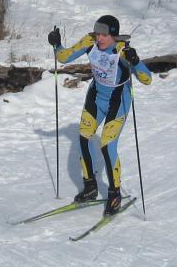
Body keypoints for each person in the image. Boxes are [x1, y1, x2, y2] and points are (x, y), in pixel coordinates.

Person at [47, 15, 152, 215]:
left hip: (117, 101)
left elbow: (147, 79)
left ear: (113, 35)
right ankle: (90, 187)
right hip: (96, 97)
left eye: (104, 34)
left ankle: (114, 194)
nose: (99, 38)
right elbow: (63, 57)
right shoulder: (90, 42)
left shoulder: (123, 51)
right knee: (84, 137)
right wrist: (56, 44)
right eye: (97, 33)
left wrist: (136, 62)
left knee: (106, 144)